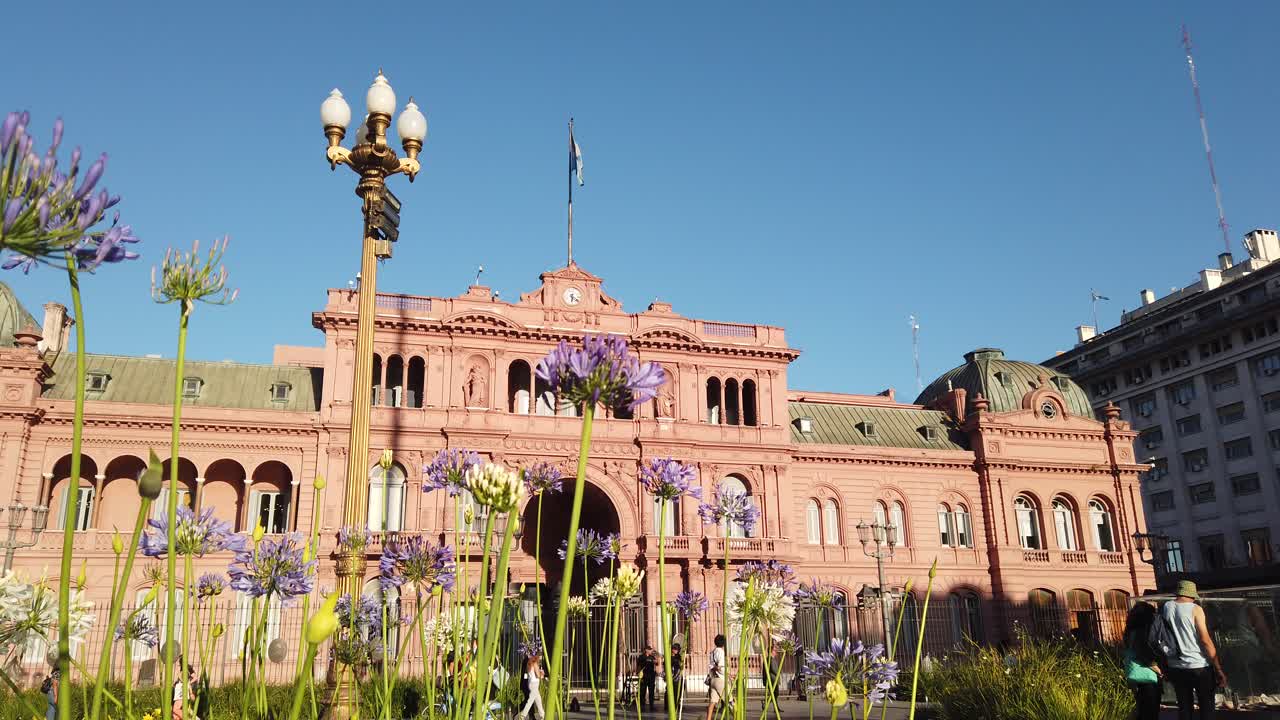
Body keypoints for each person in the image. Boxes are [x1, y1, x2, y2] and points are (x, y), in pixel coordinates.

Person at [1161, 580, 1227, 720]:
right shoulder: (1195, 609)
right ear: (1192, 595)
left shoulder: (1166, 606)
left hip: (1176, 666)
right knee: (1206, 707)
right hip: (1199, 665)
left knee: (1185, 708)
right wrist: (1218, 668)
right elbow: (1205, 639)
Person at [1123, 601, 1163, 720]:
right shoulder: (1142, 632)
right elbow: (1144, 655)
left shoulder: (1129, 632)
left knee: (1142, 709)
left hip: (1136, 674)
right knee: (1150, 711)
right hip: (1148, 675)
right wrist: (1159, 670)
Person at [705, 634, 730, 720]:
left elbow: (712, 666)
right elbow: (721, 667)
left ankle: (708, 719)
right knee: (730, 701)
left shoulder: (712, 652)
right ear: (723, 643)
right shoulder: (721, 652)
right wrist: (727, 675)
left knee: (712, 702)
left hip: (713, 679)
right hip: (720, 680)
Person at [517, 652, 546, 720]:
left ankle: (543, 715)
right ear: (537, 657)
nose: (540, 659)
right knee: (530, 701)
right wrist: (542, 673)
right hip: (535, 684)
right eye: (540, 657)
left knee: (538, 700)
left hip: (530, 684)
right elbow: (538, 675)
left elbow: (532, 674)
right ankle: (522, 715)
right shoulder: (535, 664)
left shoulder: (529, 664)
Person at [638, 644, 658, 709]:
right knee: (643, 691)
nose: (650, 651)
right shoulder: (641, 657)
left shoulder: (652, 657)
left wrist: (656, 660)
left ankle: (651, 705)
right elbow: (638, 665)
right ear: (646, 650)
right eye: (649, 650)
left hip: (651, 676)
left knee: (651, 691)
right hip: (644, 676)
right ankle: (642, 704)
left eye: (650, 650)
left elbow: (656, 663)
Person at [670, 643, 685, 709]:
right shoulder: (670, 657)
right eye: (674, 649)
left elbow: (682, 664)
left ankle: (678, 703)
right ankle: (672, 705)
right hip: (673, 677)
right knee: (674, 692)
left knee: (680, 690)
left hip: (679, 676)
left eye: (677, 649)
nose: (676, 650)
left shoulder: (679, 656)